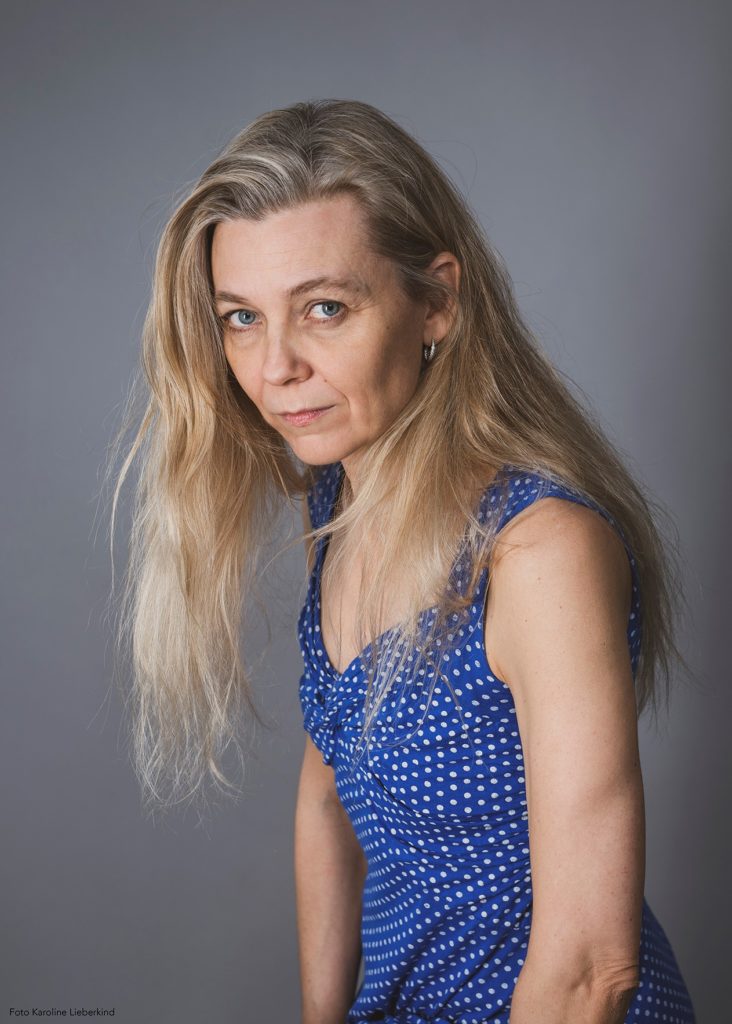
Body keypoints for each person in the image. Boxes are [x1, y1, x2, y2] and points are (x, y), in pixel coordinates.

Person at [108, 98, 697, 1023]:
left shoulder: (539, 553)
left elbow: (591, 968)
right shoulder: (341, 501)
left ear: (438, 303)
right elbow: (329, 795)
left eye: (325, 308)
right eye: (242, 318)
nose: (276, 366)